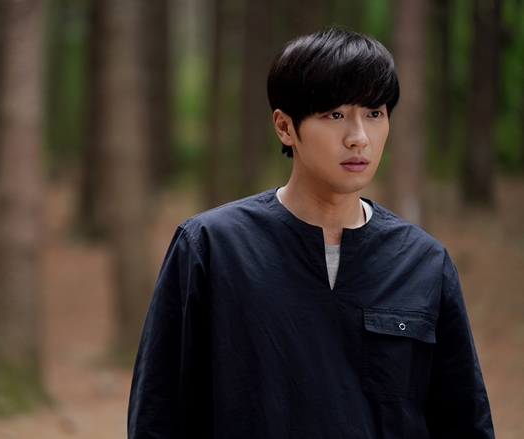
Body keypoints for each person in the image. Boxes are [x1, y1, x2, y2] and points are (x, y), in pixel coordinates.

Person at [128, 28, 494, 438]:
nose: (359, 137)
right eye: (335, 115)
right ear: (285, 127)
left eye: (374, 113)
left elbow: (465, 423)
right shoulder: (212, 248)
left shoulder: (423, 262)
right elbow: (159, 417)